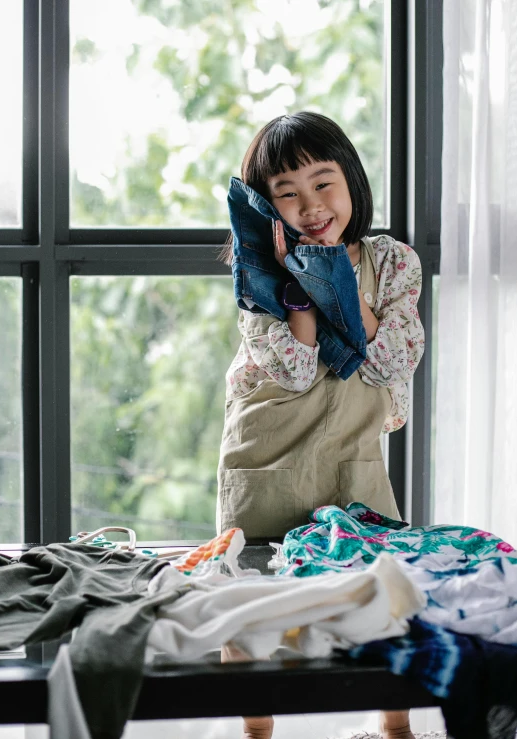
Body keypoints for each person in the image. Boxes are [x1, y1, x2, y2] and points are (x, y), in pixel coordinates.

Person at [218, 111, 425, 739]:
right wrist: (301, 290)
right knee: (248, 608)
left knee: (384, 598)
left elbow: (390, 355)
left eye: (322, 181)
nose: (310, 204)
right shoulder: (257, 276)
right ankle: (256, 730)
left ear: (352, 180)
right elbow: (297, 367)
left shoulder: (393, 262)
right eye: (287, 192)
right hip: (268, 455)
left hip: (351, 455)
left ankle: (396, 727)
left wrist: (332, 275)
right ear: (265, 205)